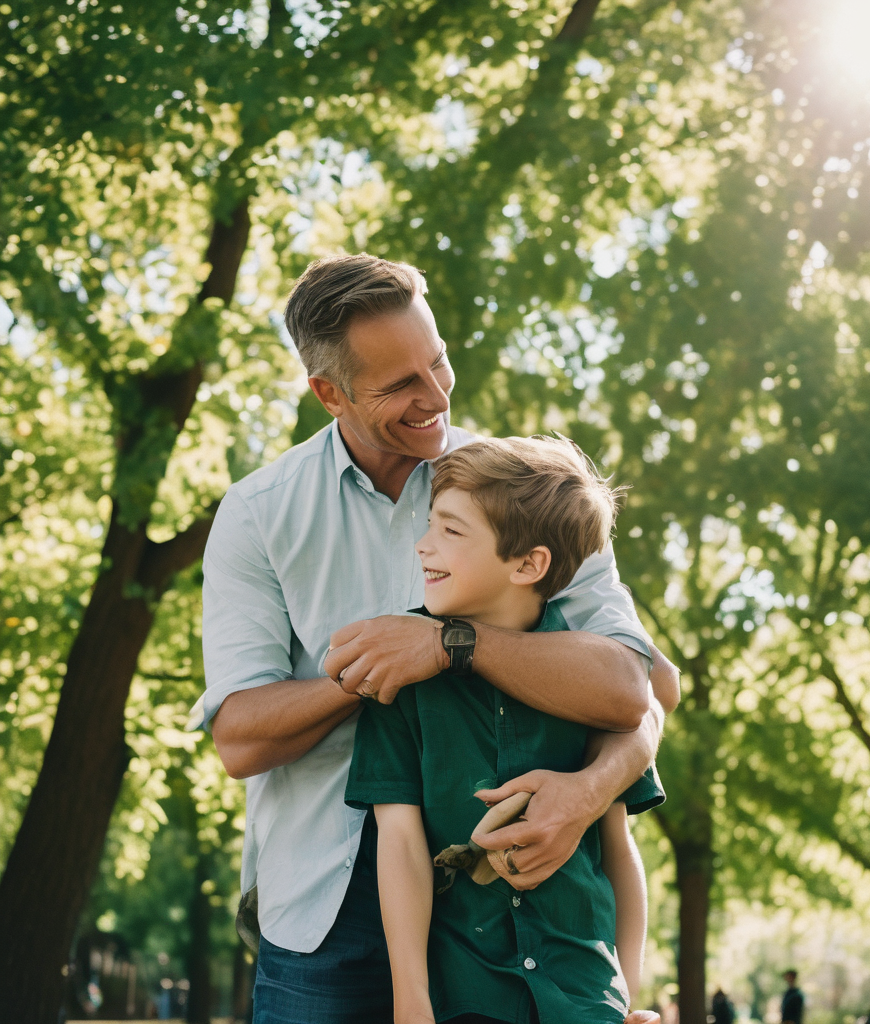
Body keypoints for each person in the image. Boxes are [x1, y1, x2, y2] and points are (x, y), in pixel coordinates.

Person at [194, 254, 678, 1023]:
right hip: (326, 903)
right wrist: (374, 672)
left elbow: (643, 689)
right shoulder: (258, 516)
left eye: (439, 361)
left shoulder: (519, 487)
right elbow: (240, 739)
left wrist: (579, 791)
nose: (436, 397)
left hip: (510, 887)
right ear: (330, 394)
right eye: (400, 386)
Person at [345, 436, 676, 1023]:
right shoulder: (404, 673)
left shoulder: (584, 678)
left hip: (586, 997)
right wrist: (410, 1001)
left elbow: (618, 850)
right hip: (468, 998)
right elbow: (399, 845)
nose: (423, 546)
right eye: (430, 525)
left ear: (528, 564)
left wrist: (627, 990)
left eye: (450, 531)